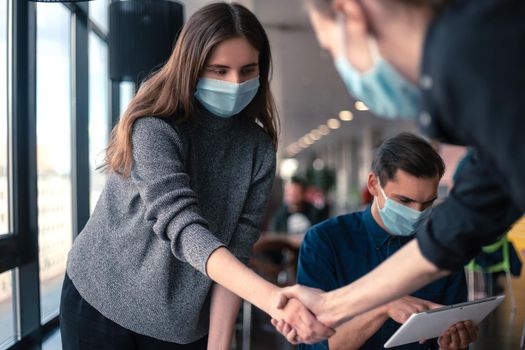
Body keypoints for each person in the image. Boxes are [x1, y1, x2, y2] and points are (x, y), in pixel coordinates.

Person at [59, 3, 333, 349]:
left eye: (248, 70)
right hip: (101, 302)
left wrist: (219, 344)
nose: (236, 82)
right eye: (219, 70)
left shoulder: (259, 149)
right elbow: (182, 225)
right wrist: (275, 300)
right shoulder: (155, 126)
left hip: (181, 323)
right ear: (191, 68)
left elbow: (238, 249)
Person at [275, 0, 525, 340]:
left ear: (351, 11)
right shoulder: (481, 56)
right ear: (374, 185)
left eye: (331, 47)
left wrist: (334, 306)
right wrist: (334, 306)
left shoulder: (477, 60)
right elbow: (465, 220)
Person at [288, 133, 478, 349]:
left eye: (427, 203)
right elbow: (315, 346)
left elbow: (451, 328)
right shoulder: (325, 241)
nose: (416, 213)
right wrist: (381, 307)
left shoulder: (442, 246)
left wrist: (453, 343)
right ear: (373, 185)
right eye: (404, 200)